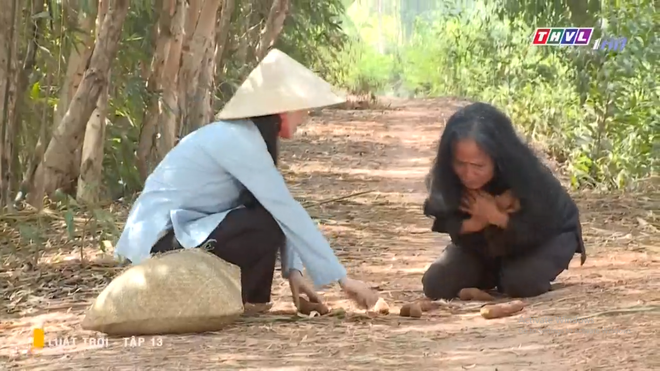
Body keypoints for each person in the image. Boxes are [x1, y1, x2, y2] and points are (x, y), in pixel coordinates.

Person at [114, 48, 379, 313]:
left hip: (178, 237)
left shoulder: (246, 140)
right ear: (281, 110)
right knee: (264, 220)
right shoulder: (239, 141)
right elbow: (284, 210)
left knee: (264, 216)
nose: (306, 116)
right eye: (303, 108)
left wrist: (294, 271)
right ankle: (243, 299)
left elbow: (277, 204)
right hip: (155, 250)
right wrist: (344, 281)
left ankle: (250, 300)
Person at [421, 102, 587, 299]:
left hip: (547, 238)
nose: (468, 174)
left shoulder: (528, 176)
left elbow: (539, 229)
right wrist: (474, 223)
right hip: (487, 245)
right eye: (460, 163)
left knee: (520, 283)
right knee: (436, 284)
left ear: (498, 158)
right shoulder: (447, 174)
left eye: (478, 165)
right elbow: (443, 218)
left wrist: (497, 216)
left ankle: (509, 274)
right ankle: (496, 274)